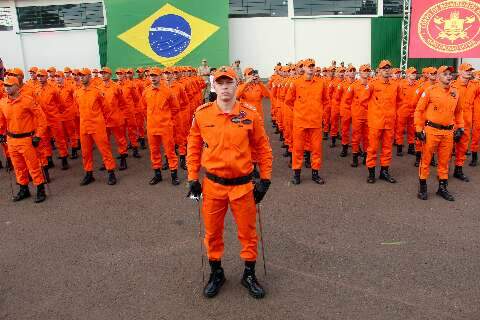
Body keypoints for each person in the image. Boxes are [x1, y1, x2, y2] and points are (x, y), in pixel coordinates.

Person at [187, 66, 273, 299]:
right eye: (220, 83)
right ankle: (216, 273)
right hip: (213, 186)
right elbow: (193, 147)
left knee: (248, 232)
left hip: (243, 186)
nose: (225, 87)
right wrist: (192, 177)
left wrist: (265, 179)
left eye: (229, 83)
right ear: (213, 86)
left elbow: (263, 148)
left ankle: (249, 274)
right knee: (212, 233)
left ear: (237, 85)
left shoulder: (250, 113)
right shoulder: (202, 114)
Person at [414, 66, 464, 201]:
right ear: (439, 76)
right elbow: (419, 110)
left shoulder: (455, 92)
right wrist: (419, 129)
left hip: (448, 132)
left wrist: (460, 127)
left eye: (450, 74)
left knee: (445, 161)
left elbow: (459, 112)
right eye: (445, 74)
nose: (449, 76)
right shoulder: (430, 91)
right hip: (431, 131)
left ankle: (442, 188)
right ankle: (423, 187)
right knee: (426, 160)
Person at [0, 76, 48, 203]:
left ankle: (40, 189)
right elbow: (2, 120)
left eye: (9, 85)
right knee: (18, 167)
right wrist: (1, 133)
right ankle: (24, 189)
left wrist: (38, 135)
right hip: (11, 140)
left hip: (26, 139)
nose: (6, 87)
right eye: (5, 85)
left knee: (33, 166)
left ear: (17, 86)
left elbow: (42, 119)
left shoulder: (28, 101)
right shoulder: (3, 103)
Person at [285, 59, 327, 184]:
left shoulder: (321, 83)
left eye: (313, 66)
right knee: (298, 149)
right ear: (303, 68)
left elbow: (326, 100)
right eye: (309, 66)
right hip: (300, 122)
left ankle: (315, 173)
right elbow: (288, 100)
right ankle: (297, 174)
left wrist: (320, 113)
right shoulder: (296, 83)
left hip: (315, 122)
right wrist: (299, 112)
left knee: (316, 149)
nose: (311, 68)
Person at [74, 68, 117, 186]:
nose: (81, 77)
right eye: (80, 76)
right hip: (84, 126)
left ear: (90, 76)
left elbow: (106, 109)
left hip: (97, 126)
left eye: (83, 75)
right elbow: (77, 109)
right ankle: (89, 174)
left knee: (105, 150)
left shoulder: (97, 91)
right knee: (85, 152)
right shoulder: (77, 92)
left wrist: (100, 121)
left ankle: (111, 172)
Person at [361, 60, 399, 184]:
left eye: (388, 68)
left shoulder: (395, 85)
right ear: (379, 70)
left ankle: (384, 172)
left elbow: (399, 101)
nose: (386, 70)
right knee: (372, 148)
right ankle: (371, 173)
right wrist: (374, 111)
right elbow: (363, 100)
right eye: (384, 68)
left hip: (389, 122)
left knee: (387, 148)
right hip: (376, 122)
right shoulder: (372, 84)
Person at [141, 67, 181, 185]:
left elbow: (175, 108)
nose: (153, 78)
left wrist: (166, 119)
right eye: (151, 76)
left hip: (165, 127)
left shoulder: (167, 91)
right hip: (152, 128)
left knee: (170, 151)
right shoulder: (146, 91)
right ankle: (157, 174)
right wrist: (150, 120)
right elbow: (143, 107)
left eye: (155, 76)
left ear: (160, 77)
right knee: (154, 151)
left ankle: (174, 174)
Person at [451, 63, 480, 182]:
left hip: (466, 123)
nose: (469, 72)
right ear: (460, 71)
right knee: (447, 149)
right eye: (467, 70)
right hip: (453, 123)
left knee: (462, 148)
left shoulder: (474, 86)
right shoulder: (452, 85)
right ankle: (443, 173)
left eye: (470, 70)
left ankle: (458, 170)